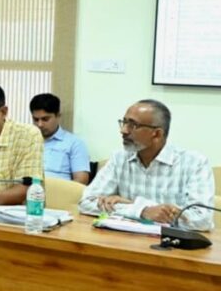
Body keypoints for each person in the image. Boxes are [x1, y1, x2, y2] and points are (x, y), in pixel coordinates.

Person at [79, 100, 215, 231]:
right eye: (124, 122)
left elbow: (202, 219)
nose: (123, 130)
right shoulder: (119, 158)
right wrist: (143, 211)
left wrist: (133, 205)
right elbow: (86, 203)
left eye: (133, 125)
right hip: (125, 240)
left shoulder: (194, 163)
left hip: (171, 243)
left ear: (157, 134)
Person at [29, 93, 90, 184]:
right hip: (26, 190)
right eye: (36, 119)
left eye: (45, 119)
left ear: (58, 116)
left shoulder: (74, 143)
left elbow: (81, 180)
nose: (40, 124)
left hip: (58, 191)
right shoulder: (26, 142)